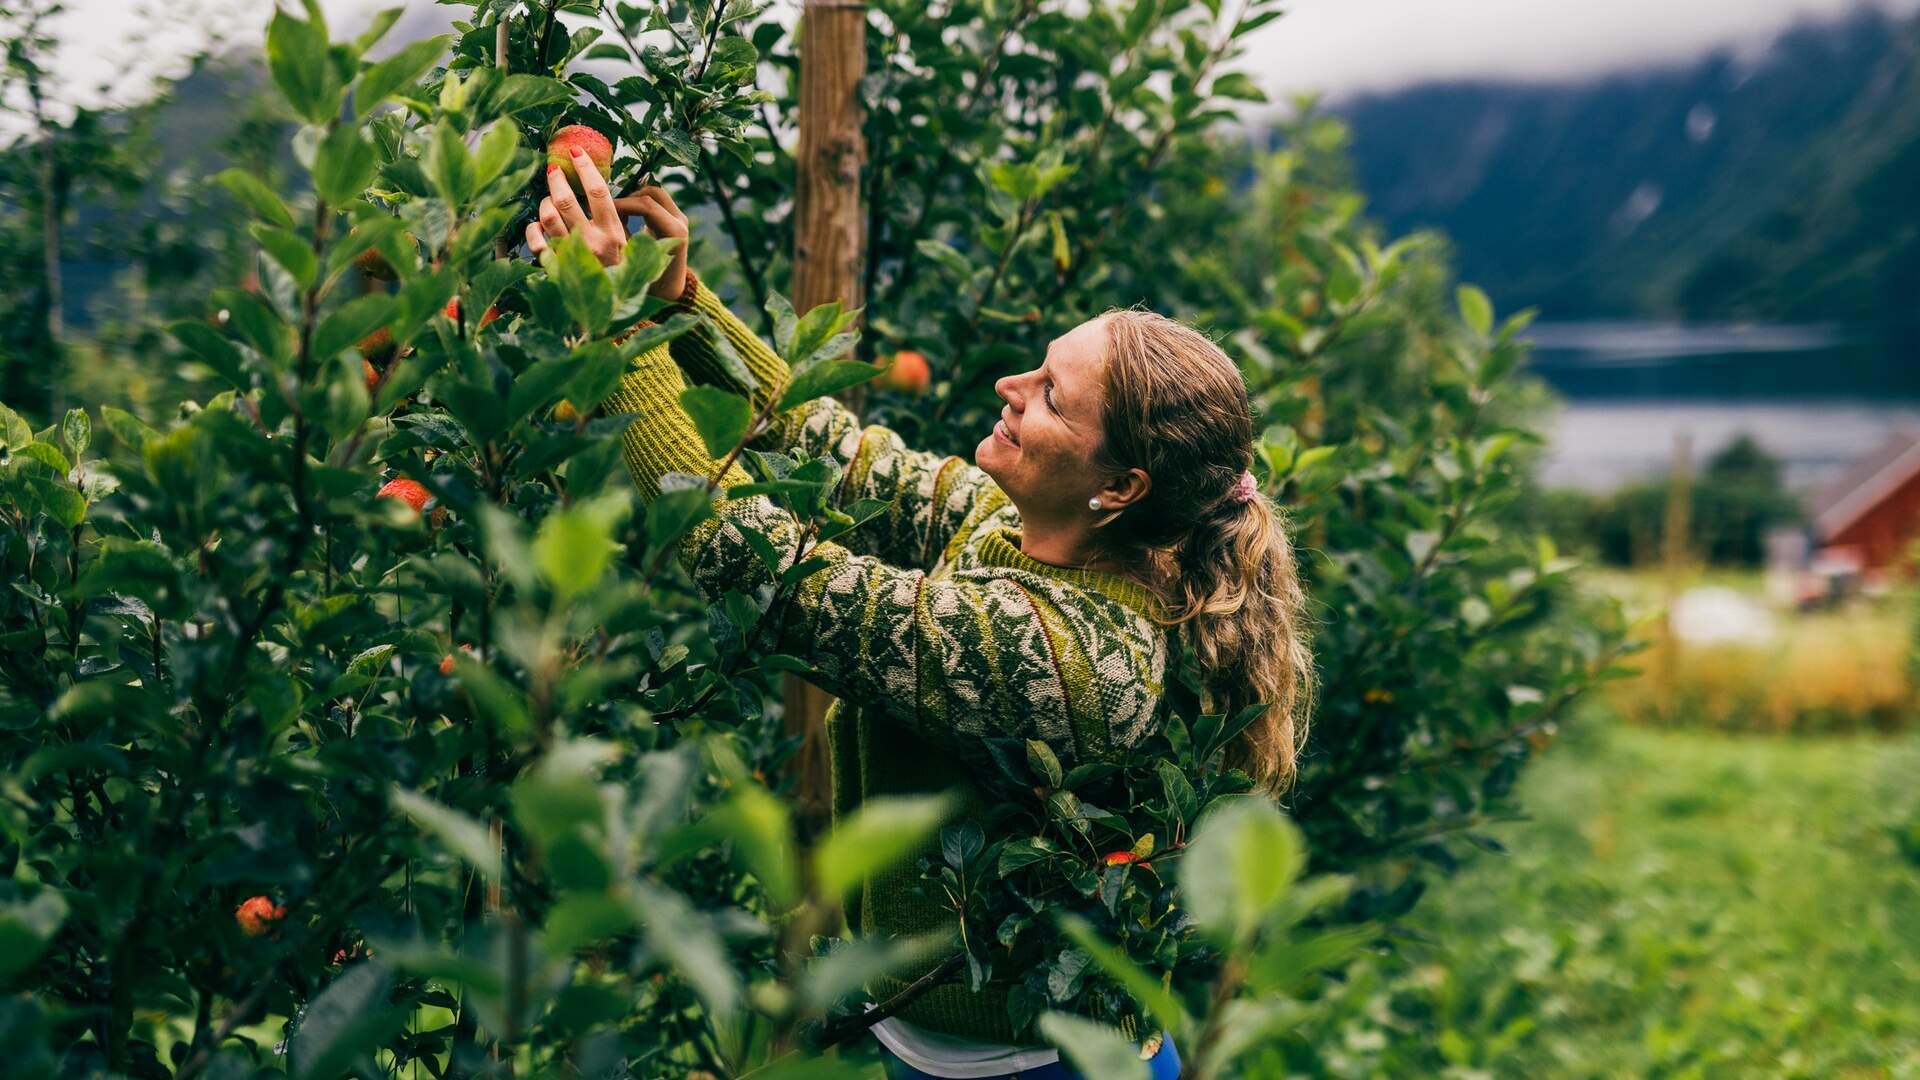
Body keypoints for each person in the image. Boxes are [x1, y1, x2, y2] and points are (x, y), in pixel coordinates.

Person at [526, 148, 1313, 1079]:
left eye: (1051, 397)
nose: (1008, 390)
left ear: (1121, 486)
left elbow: (769, 576)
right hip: (953, 1047)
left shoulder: (1069, 657)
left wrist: (614, 332)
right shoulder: (1027, 529)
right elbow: (834, 447)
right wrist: (678, 304)